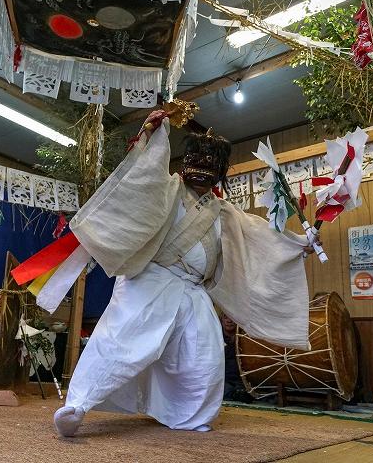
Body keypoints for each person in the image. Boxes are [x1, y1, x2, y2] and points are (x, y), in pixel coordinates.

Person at [52, 112, 315, 437]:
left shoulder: (225, 213)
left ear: (219, 176)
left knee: (204, 355)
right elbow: (141, 177)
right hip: (151, 280)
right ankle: (77, 406)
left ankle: (190, 415)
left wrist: (300, 244)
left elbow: (262, 239)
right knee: (118, 344)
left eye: (211, 170)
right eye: (197, 165)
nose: (202, 175)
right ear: (185, 165)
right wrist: (149, 136)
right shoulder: (165, 190)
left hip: (193, 292)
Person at [221, 314, 252, 403]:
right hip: (223, 380)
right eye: (225, 317)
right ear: (221, 319)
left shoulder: (246, 338)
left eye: (232, 317)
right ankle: (234, 394)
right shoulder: (215, 337)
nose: (229, 321)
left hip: (242, 380)